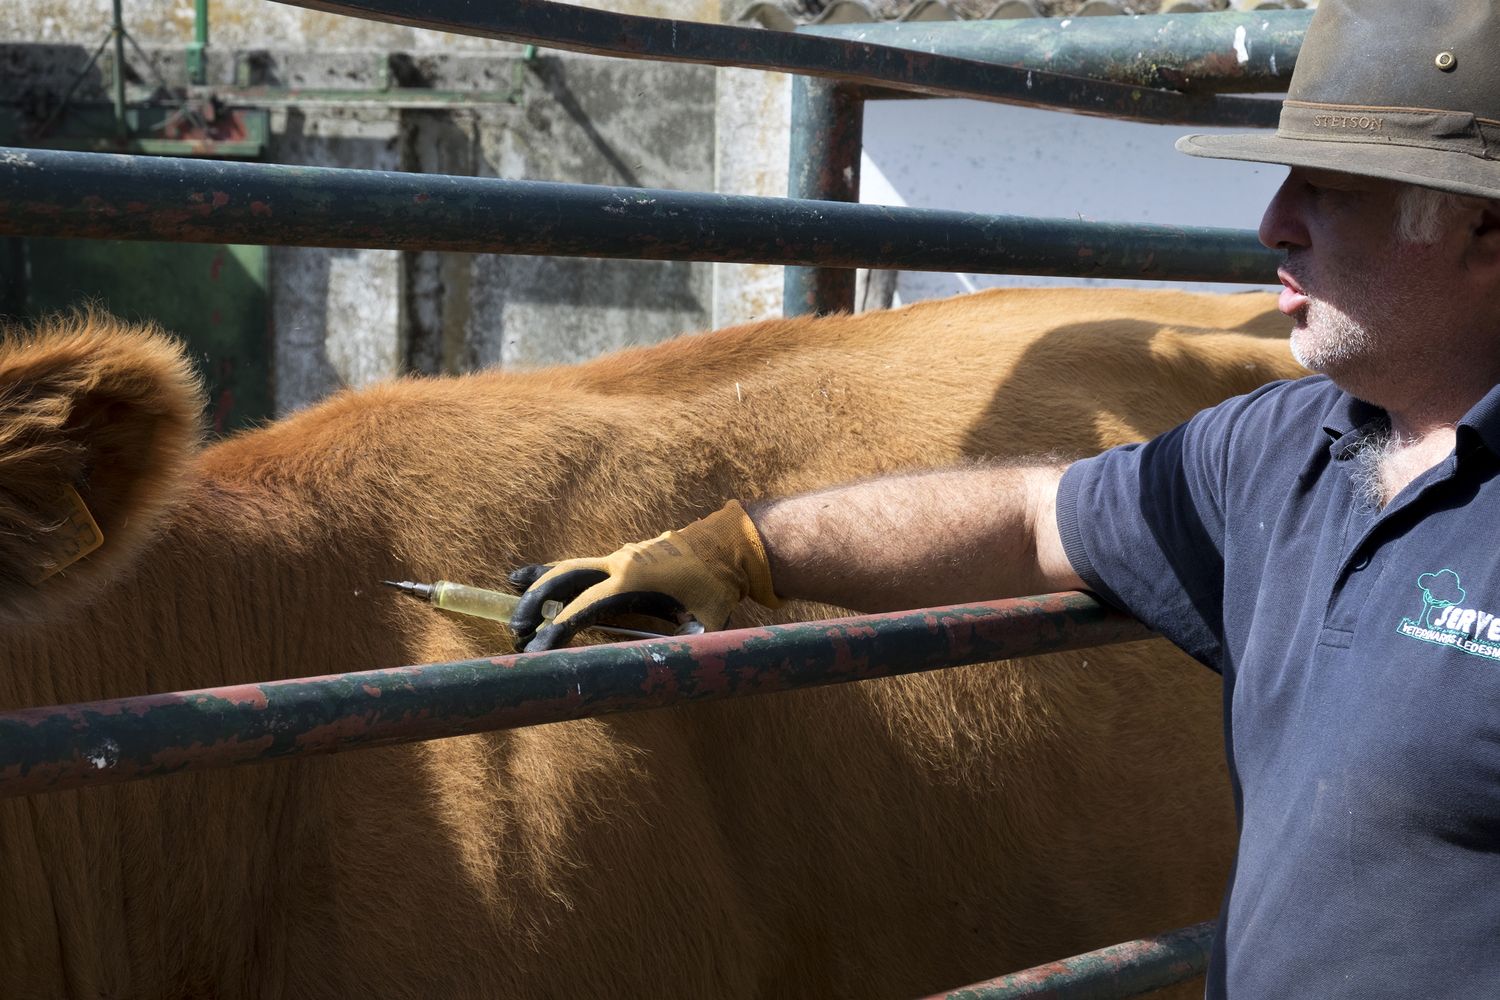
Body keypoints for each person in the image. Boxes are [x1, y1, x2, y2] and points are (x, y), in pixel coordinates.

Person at [509, 1, 1500, 994]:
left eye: (1328, 190)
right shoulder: (1283, 449)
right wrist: (741, 548)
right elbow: (1031, 515)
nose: (1274, 223)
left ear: (1483, 227)